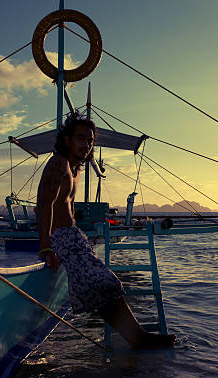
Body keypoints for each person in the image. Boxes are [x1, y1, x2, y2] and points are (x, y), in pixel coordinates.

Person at [36, 112, 176, 349]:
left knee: (106, 287)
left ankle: (136, 338)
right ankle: (138, 338)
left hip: (74, 237)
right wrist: (46, 247)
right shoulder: (58, 163)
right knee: (105, 283)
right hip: (62, 239)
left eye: (90, 140)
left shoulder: (75, 169)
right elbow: (44, 204)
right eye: (81, 138)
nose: (87, 144)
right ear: (67, 140)